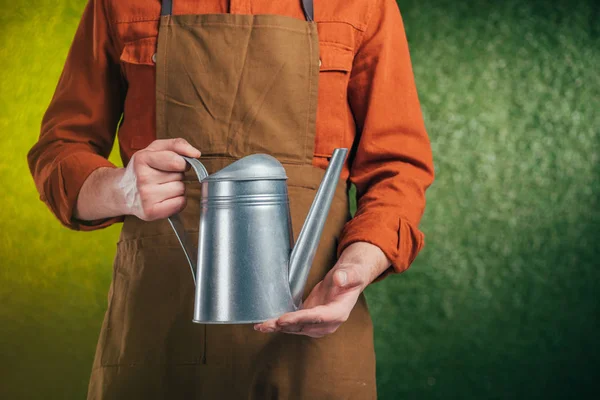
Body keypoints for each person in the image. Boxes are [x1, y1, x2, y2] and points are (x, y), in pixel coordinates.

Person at [28, 0, 434, 398]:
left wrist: (357, 266)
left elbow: (397, 166)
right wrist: (121, 188)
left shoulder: (365, 5)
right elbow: (59, 151)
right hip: (159, 337)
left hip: (314, 338)